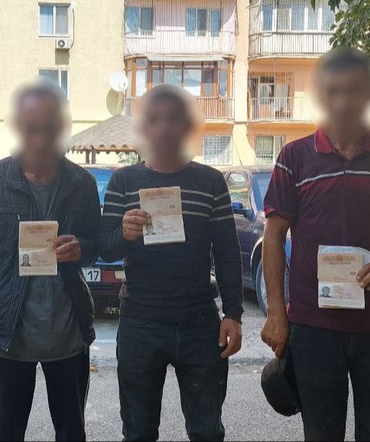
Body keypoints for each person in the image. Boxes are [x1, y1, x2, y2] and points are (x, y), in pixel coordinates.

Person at [260, 47, 370, 441]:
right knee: (320, 434)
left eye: (353, 90)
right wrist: (276, 312)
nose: (343, 101)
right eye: (333, 91)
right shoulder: (294, 157)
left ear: (369, 95)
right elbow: (273, 235)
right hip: (314, 327)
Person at [97, 84, 244, 442]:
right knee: (138, 432)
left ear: (186, 126)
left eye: (173, 119)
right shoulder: (123, 181)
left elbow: (227, 251)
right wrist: (124, 232)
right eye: (154, 119)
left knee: (207, 431)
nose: (163, 127)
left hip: (199, 322)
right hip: (140, 321)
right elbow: (105, 248)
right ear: (144, 128)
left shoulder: (211, 182)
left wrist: (233, 314)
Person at [0, 82, 100, 441]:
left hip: (67, 334)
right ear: (19, 129)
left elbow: (96, 244)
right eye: (32, 129)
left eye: (49, 128)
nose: (40, 139)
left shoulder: (81, 183)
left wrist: (81, 248)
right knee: (8, 433)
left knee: (72, 432)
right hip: (7, 336)